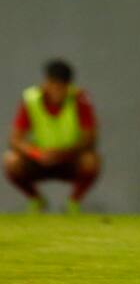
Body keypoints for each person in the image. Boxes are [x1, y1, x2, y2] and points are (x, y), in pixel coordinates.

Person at [4, 60, 99, 213]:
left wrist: (63, 154)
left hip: (69, 157)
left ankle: (73, 203)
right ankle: (36, 200)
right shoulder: (31, 99)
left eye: (60, 87)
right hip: (38, 158)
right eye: (52, 85)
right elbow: (15, 139)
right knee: (11, 160)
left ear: (69, 87)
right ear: (45, 83)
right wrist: (37, 153)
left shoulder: (80, 99)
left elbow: (90, 138)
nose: (56, 91)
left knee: (90, 161)